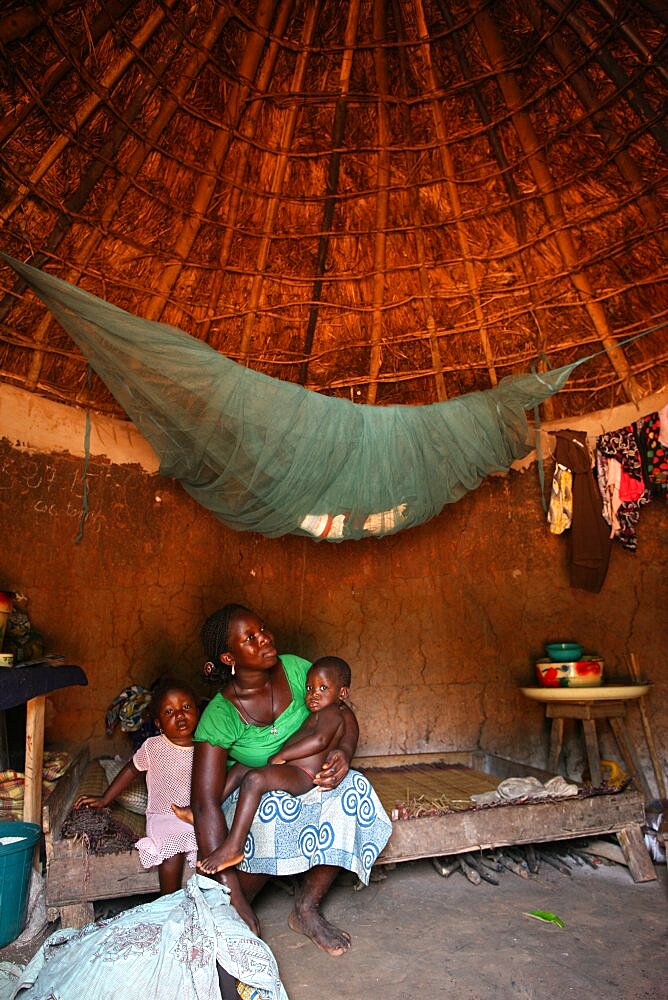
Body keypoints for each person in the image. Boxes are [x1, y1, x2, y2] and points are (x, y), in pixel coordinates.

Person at [191, 604, 392, 957]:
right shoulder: (220, 714)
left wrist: (344, 751)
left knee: (354, 788)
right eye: (250, 638)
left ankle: (307, 907)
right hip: (257, 791)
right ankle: (236, 896)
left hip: (303, 779)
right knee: (271, 805)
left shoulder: (298, 670)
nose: (265, 638)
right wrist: (231, 893)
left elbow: (341, 712)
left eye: (263, 628)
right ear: (228, 656)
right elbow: (205, 800)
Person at [190, 656, 351, 874]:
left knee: (254, 780)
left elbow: (320, 740)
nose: (314, 694)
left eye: (323, 688)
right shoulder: (321, 711)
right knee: (242, 767)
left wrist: (283, 754)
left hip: (302, 774)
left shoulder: (331, 712)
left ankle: (234, 846)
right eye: (309, 687)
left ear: (342, 694)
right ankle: (203, 810)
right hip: (292, 768)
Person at [76, 680, 200, 894]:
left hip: (194, 815)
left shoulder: (205, 747)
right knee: (170, 849)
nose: (179, 715)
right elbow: (130, 771)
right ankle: (167, 900)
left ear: (198, 711)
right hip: (163, 816)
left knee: (210, 839)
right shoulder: (153, 747)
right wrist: (105, 799)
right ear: (159, 724)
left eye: (186, 707)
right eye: (169, 712)